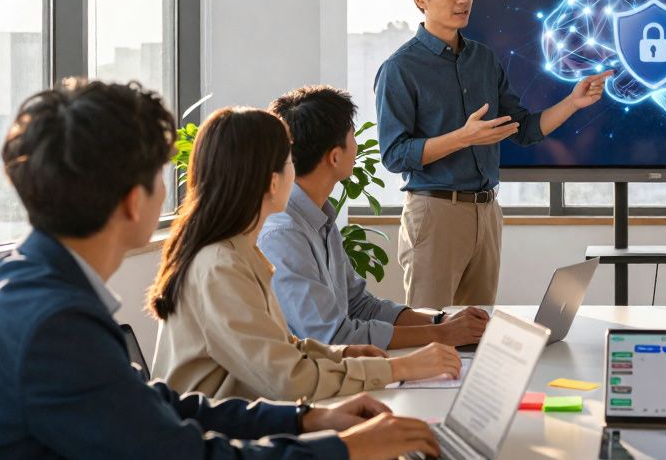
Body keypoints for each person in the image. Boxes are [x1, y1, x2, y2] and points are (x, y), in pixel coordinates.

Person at [0, 80, 442, 460]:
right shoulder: (50, 323)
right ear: (132, 199)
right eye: (161, 176)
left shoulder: (33, 288)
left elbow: (150, 404)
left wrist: (307, 418)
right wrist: (341, 450)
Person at [149, 106, 461, 401]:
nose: (295, 171)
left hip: (246, 422)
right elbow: (286, 379)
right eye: (288, 161)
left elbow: (281, 348)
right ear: (273, 182)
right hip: (218, 438)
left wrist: (340, 355)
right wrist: (400, 367)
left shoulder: (237, 250)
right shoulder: (222, 265)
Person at [375, 0, 612, 308]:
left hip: (486, 212)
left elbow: (525, 129)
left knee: (475, 332)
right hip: (435, 213)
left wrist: (572, 102)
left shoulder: (483, 59)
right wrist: (462, 138)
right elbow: (394, 155)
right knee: (431, 331)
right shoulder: (400, 68)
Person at [261, 85, 489, 348]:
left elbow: (360, 305)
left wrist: (442, 320)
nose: (357, 146)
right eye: (352, 135)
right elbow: (331, 337)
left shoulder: (319, 218)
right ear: (334, 157)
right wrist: (443, 336)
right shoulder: (283, 233)